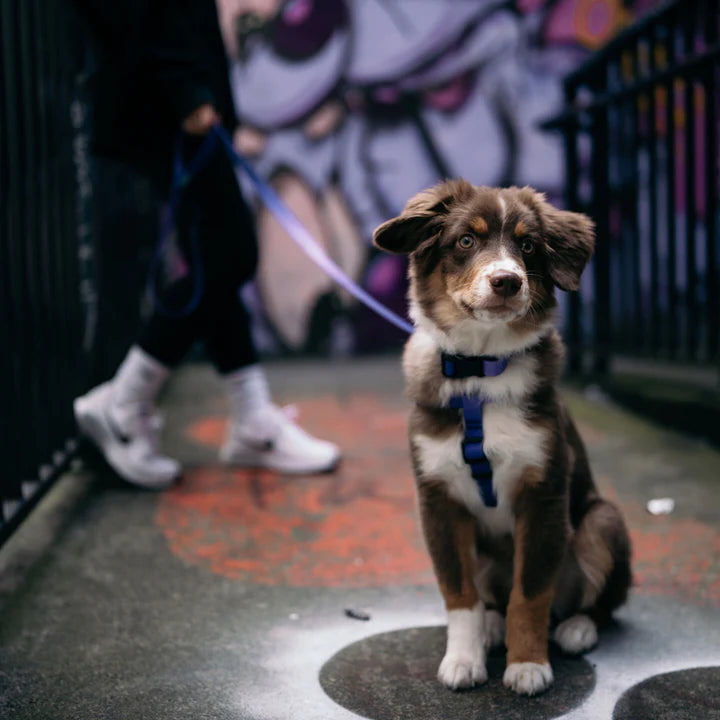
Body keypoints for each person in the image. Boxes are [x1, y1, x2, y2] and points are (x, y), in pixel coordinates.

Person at [72, 0, 340, 489]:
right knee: (232, 251)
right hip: (164, 106)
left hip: (173, 99)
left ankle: (251, 420)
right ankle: (125, 404)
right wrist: (184, 89)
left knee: (215, 258)